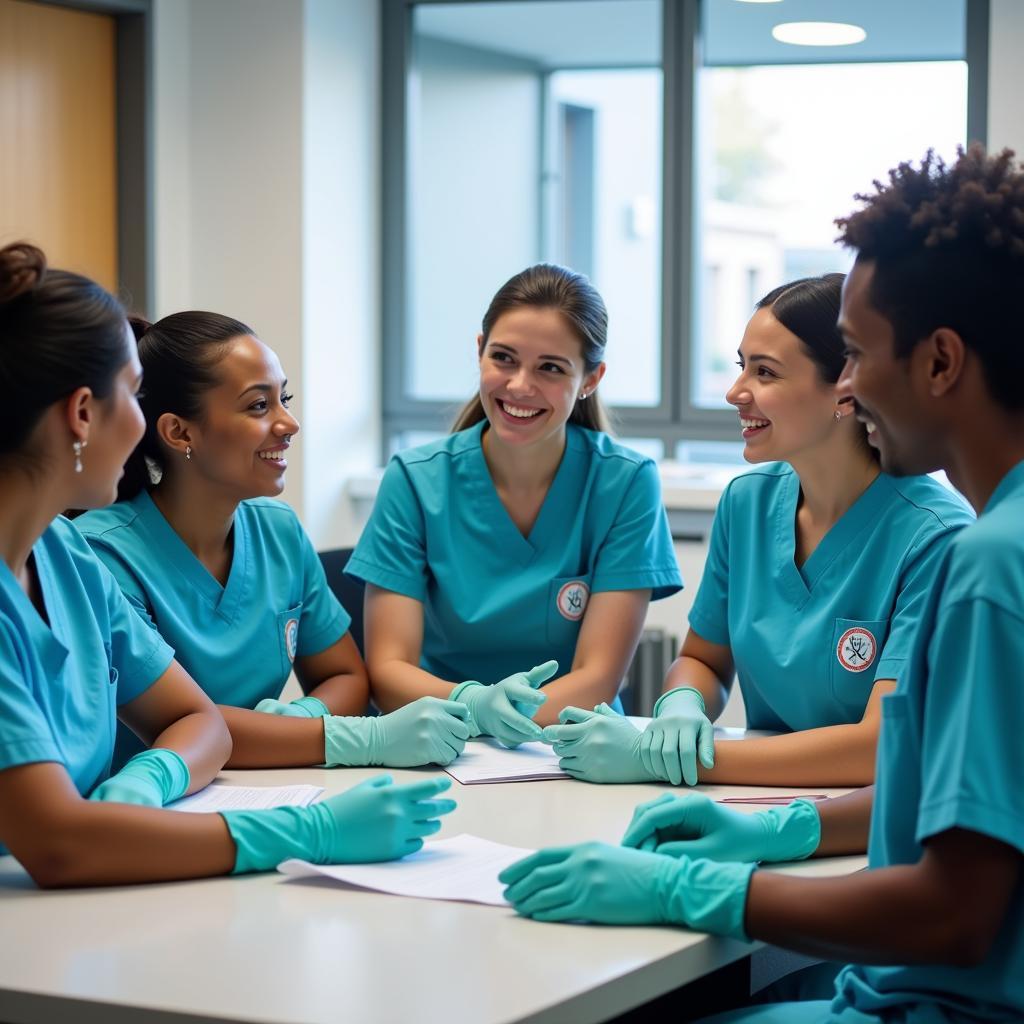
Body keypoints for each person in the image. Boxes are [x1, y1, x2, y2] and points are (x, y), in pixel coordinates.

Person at [500, 145, 1024, 1024]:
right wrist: (780, 828)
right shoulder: (992, 540)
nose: (852, 386)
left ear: (938, 363)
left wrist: (694, 890)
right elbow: (935, 796)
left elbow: (955, 913)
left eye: (855, 355)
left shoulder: (981, 563)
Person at [0, 242, 454, 887]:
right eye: (131, 397)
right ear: (80, 414)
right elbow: (58, 842)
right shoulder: (100, 547)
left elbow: (198, 719)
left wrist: (152, 777)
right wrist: (309, 832)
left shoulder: (65, 557)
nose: (140, 425)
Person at [545, 274, 972, 787]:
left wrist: (680, 762)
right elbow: (703, 659)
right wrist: (682, 705)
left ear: (846, 390)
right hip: (750, 799)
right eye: (741, 365)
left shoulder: (935, 537)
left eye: (765, 373)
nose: (734, 392)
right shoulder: (748, 501)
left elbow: (881, 745)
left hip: (864, 823)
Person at [77, 312, 470, 771]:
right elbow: (187, 723)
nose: (290, 424)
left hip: (268, 789)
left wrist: (306, 712)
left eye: (283, 398)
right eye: (258, 406)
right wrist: (357, 737)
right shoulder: (102, 555)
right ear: (179, 432)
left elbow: (345, 675)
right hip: (154, 810)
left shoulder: (277, 530)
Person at [347, 263, 682, 747]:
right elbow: (388, 670)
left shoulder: (625, 483)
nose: (520, 386)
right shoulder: (415, 480)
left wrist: (501, 719)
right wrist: (475, 708)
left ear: (591, 378)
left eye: (550, 367)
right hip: (439, 741)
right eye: (503, 358)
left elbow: (597, 678)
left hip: (573, 748)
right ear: (479, 350)